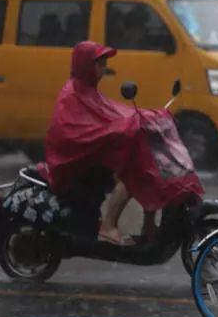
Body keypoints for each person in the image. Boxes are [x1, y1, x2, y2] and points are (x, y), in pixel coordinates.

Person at [40, 41, 204, 245]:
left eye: (103, 63)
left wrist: (149, 117)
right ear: (85, 65)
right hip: (73, 163)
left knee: (146, 165)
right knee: (132, 172)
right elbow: (82, 131)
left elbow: (113, 113)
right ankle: (108, 226)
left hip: (91, 155)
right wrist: (127, 125)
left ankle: (148, 226)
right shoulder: (72, 95)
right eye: (99, 64)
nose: (103, 68)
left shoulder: (88, 91)